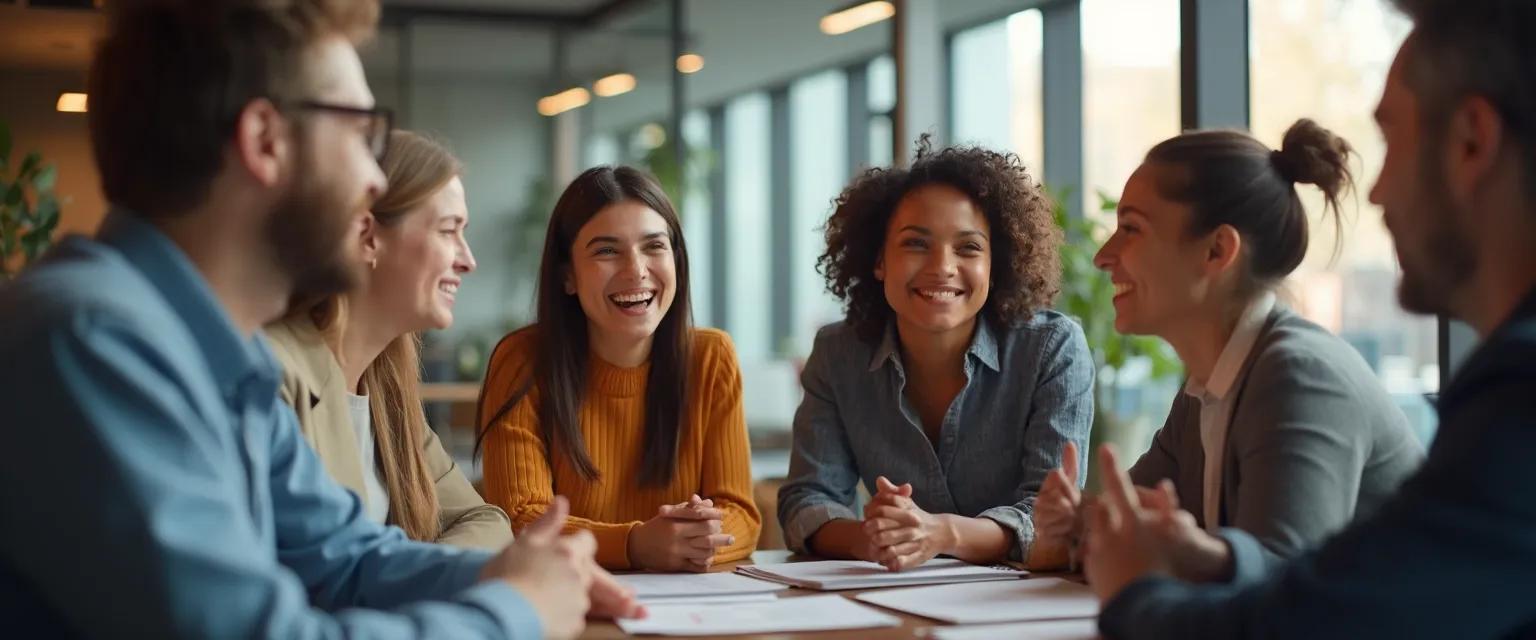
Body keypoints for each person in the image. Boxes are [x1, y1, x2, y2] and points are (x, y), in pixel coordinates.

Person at [0, 1, 638, 637]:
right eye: (361, 134)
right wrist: (517, 609)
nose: (373, 179)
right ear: (265, 141)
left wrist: (517, 573)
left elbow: (344, 558)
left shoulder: (221, 351)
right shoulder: (92, 342)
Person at [1085, 1, 1536, 637]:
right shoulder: (1207, 386)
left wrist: (1136, 597)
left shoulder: (1517, 399)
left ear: (1471, 142)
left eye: (1391, 141)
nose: (1375, 191)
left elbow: (1306, 621)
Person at [1029, 120, 1424, 575]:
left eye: (1131, 228)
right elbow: (1133, 528)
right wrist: (1078, 523)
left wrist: (1177, 550)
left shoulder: (1300, 376)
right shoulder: (1205, 387)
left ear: (1217, 251)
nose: (1103, 256)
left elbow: (1285, 584)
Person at [776, 138, 1095, 571]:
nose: (942, 267)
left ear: (995, 265)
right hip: (887, 593)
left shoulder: (1052, 349)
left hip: (1014, 601)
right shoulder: (838, 355)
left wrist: (941, 533)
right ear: (879, 260)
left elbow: (1051, 522)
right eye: (916, 244)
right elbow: (807, 499)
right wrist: (876, 538)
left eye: (968, 248)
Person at [477, 165, 761, 572]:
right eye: (607, 251)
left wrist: (697, 538)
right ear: (567, 275)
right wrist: (635, 544)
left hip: (689, 599)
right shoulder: (522, 361)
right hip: (564, 597)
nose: (636, 270)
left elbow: (740, 513)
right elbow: (523, 520)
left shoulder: (711, 357)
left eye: (654, 246)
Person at [266, 130, 512, 550]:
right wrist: (424, 572)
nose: (468, 261)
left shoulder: (386, 387)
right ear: (368, 237)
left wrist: (420, 570)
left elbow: (485, 519)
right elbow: (325, 562)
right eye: (448, 231)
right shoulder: (275, 373)